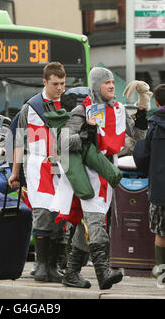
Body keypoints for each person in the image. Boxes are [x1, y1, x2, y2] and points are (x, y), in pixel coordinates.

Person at [58, 67, 149, 289]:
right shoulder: (82, 110)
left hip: (109, 169)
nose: (111, 86)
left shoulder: (118, 109)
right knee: (96, 220)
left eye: (112, 82)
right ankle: (103, 271)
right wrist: (86, 135)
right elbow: (62, 142)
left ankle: (71, 273)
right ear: (96, 86)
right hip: (89, 171)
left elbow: (138, 134)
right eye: (106, 82)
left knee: (88, 223)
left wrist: (143, 103)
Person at [8, 61, 66, 283]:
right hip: (37, 166)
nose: (60, 88)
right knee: (42, 214)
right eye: (55, 84)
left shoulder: (67, 104)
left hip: (62, 167)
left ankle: (53, 266)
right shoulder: (30, 108)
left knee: (60, 216)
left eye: (62, 83)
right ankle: (41, 266)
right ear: (45, 82)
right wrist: (15, 173)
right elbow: (18, 142)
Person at [133, 84, 165, 286]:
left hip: (160, 189)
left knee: (161, 232)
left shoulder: (153, 125)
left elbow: (141, 155)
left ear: (156, 102)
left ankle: (162, 274)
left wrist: (148, 172)